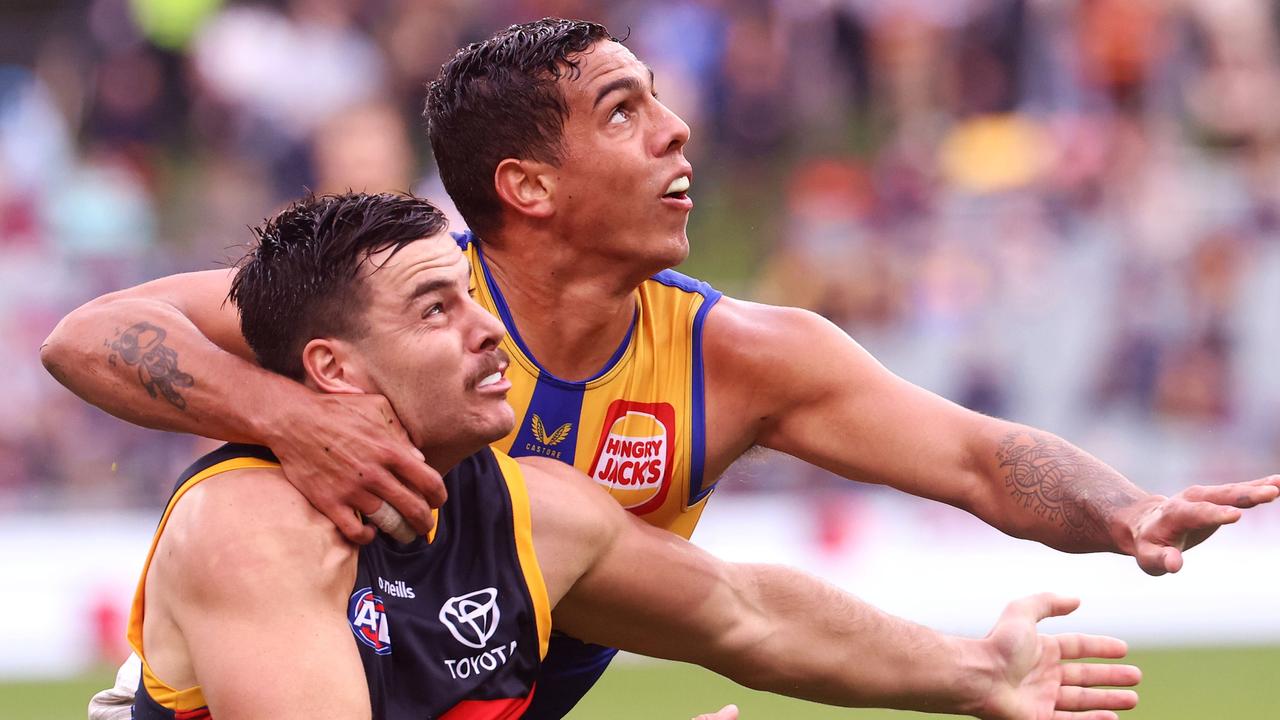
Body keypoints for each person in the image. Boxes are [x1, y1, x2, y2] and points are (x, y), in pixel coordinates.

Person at [41, 18, 1279, 720]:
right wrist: (287, 419)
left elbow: (773, 589)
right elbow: (86, 336)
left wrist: (1100, 532)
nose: (677, 130)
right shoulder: (371, 317)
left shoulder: (656, 416)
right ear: (523, 188)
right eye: (624, 111)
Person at [101, 191, 1139, 720]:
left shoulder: (530, 512)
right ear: (332, 370)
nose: (482, 332)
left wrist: (973, 673)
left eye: (470, 299)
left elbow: (744, 612)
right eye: (434, 309)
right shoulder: (255, 528)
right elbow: (83, 336)